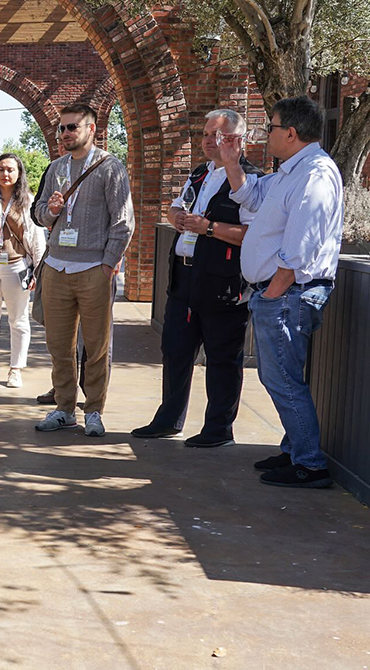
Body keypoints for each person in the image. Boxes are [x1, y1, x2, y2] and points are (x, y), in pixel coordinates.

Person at [217, 96, 344, 488]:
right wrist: (232, 162)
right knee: (281, 378)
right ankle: (294, 451)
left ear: (290, 133)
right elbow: (251, 196)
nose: (266, 134)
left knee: (284, 381)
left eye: (270, 127)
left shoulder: (315, 175)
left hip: (290, 295)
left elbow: (300, 247)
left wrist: (272, 293)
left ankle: (309, 464)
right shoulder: (292, 171)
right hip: (282, 295)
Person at [132, 109, 259, 448]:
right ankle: (168, 420)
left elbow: (253, 235)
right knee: (175, 349)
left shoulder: (251, 181)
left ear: (236, 140)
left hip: (223, 282)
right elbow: (176, 206)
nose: (207, 141)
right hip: (184, 278)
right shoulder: (200, 173)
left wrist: (209, 228)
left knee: (222, 358)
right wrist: (176, 216)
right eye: (205, 134)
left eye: (216, 135)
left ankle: (218, 429)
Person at [34, 103, 134, 437]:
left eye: (72, 127)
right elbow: (39, 213)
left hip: (93, 269)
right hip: (56, 267)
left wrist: (107, 263)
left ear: (91, 129)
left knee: (96, 346)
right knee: (58, 346)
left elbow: (123, 221)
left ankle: (93, 410)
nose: (65, 134)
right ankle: (64, 408)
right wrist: (51, 211)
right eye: (61, 128)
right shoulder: (55, 168)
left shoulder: (110, 167)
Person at [0, 153, 47, 389]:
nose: (5, 174)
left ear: (19, 173)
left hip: (17, 266)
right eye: (1, 169)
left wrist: (37, 271)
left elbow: (37, 239)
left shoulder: (28, 201)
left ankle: (16, 369)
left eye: (10, 170)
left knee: (18, 319)